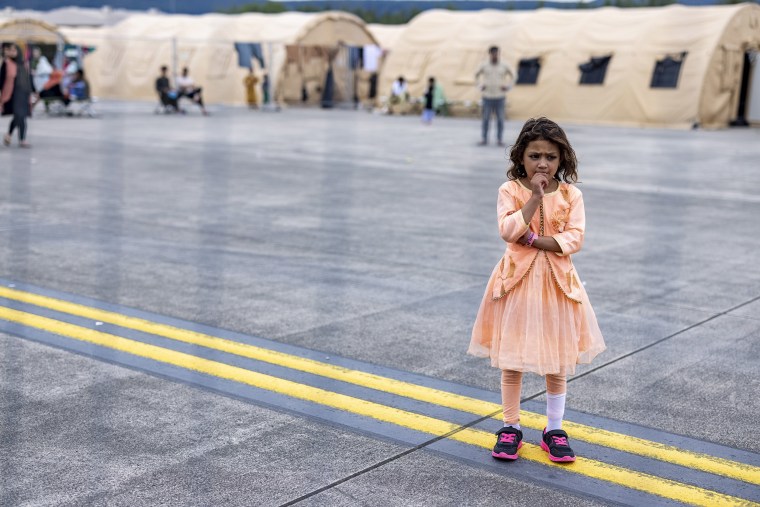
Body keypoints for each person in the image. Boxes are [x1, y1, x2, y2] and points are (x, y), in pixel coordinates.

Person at [468, 117, 605, 463]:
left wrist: (536, 240)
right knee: (511, 360)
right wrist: (533, 198)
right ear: (521, 157)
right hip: (517, 285)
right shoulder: (510, 190)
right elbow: (508, 230)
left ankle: (554, 429)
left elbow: (575, 238)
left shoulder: (573, 195)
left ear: (562, 160)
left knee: (556, 359)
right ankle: (510, 426)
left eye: (551, 157)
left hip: (557, 286)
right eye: (534, 156)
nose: (543, 163)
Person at [475, 46, 514, 146]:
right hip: (487, 96)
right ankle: (484, 138)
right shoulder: (484, 65)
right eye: (493, 54)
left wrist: (508, 86)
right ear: (490, 54)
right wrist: (479, 85)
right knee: (485, 119)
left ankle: (499, 139)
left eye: (496, 54)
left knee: (500, 119)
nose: (495, 56)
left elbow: (514, 75)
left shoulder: (504, 65)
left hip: (500, 97)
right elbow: (476, 75)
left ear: (498, 53)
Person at [1, 43, 35, 148]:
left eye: (13, 50)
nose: (12, 52)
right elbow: (1, 79)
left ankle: (14, 136)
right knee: (19, 115)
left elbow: (29, 79)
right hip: (13, 93)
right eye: (10, 50)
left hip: (24, 92)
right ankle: (19, 138)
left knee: (21, 116)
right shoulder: (6, 63)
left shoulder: (25, 64)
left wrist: (35, 91)